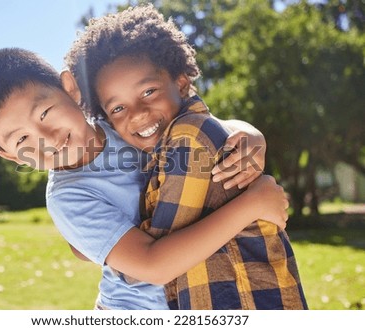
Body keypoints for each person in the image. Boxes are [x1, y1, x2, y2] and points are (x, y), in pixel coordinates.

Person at [0, 47, 289, 310]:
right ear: (11, 156)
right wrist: (251, 206)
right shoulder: (68, 197)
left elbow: (200, 125)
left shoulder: (119, 118)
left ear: (70, 89)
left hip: (197, 292)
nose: (46, 137)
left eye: (44, 113)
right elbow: (153, 265)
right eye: (22, 140)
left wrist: (250, 136)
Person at [65, 4, 307, 309]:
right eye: (117, 108)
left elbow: (147, 268)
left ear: (181, 83)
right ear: (106, 120)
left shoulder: (186, 141)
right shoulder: (159, 148)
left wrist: (101, 244)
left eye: (149, 92)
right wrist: (90, 242)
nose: (138, 115)